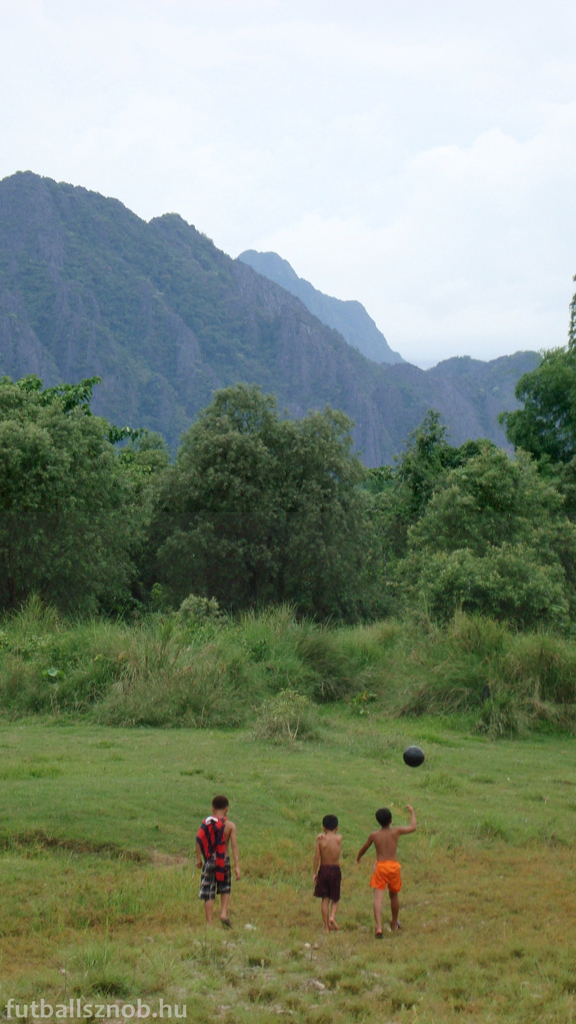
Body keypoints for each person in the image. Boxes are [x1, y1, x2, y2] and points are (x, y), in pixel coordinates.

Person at [356, 804, 416, 937]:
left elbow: (364, 847)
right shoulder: (396, 831)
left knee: (378, 898)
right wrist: (412, 812)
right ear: (391, 820)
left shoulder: (374, 835)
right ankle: (394, 924)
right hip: (394, 867)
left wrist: (359, 857)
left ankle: (378, 927)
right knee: (394, 895)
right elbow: (413, 827)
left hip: (381, 867)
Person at [196, 794, 240, 927]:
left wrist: (199, 859)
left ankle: (209, 923)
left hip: (210, 860)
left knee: (208, 890)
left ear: (212, 809)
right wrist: (237, 865)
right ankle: (223, 913)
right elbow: (234, 846)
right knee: (225, 887)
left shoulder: (207, 823)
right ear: (227, 809)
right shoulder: (230, 826)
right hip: (224, 860)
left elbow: (198, 840)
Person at [313, 814, 342, 933]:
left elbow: (316, 857)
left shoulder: (321, 840)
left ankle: (326, 927)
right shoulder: (339, 838)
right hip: (335, 869)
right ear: (337, 827)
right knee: (335, 897)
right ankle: (332, 916)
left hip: (323, 869)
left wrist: (314, 873)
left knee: (325, 898)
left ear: (323, 827)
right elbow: (335, 836)